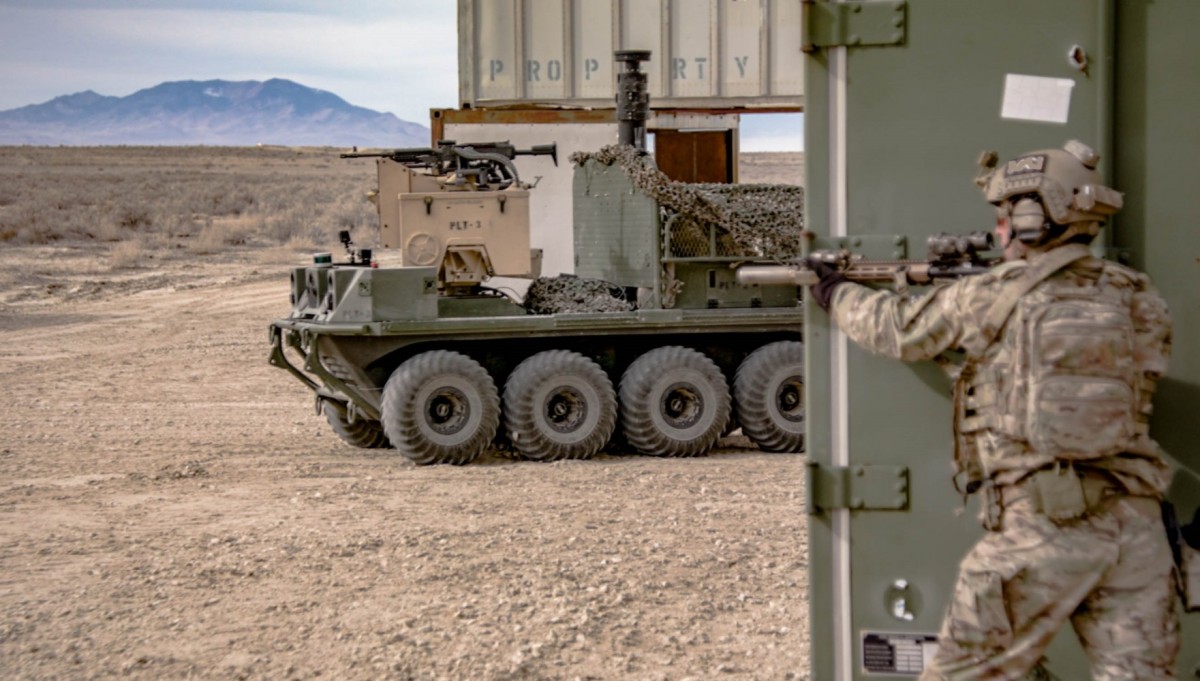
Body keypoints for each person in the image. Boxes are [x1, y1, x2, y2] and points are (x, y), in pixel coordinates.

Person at [808, 140, 1179, 680]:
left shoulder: (989, 295)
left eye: (1006, 214)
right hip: (1139, 533)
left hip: (1043, 528)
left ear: (1034, 217)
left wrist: (835, 292)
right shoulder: (1139, 295)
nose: (1001, 228)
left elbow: (897, 329)